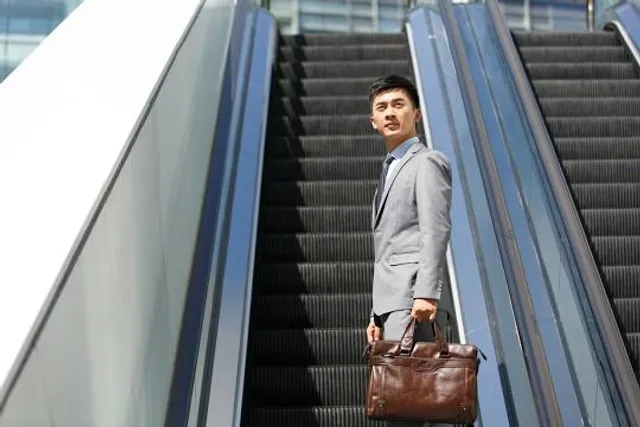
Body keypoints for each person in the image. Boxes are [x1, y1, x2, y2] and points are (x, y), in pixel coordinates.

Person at [365, 74, 453, 427]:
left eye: (398, 105)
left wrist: (426, 293)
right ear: (373, 122)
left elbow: (435, 229)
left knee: (407, 404)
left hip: (414, 300)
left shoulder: (426, 162)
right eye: (382, 107)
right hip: (392, 304)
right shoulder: (390, 169)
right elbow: (388, 247)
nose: (390, 113)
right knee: (402, 404)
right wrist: (376, 314)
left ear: (416, 114)